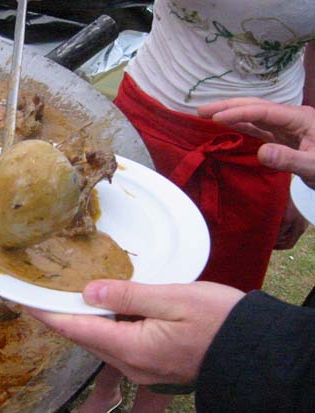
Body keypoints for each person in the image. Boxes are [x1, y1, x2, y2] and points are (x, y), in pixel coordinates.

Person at [79, 1, 315, 411]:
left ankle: (152, 405)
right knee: (117, 263)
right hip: (149, 116)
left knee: (210, 290)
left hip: (264, 145)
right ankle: (105, 386)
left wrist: (304, 179)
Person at [28, 99, 315, 413]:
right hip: (148, 118)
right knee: (122, 297)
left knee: (191, 310)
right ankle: (105, 391)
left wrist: (234, 344)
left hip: (251, 159)